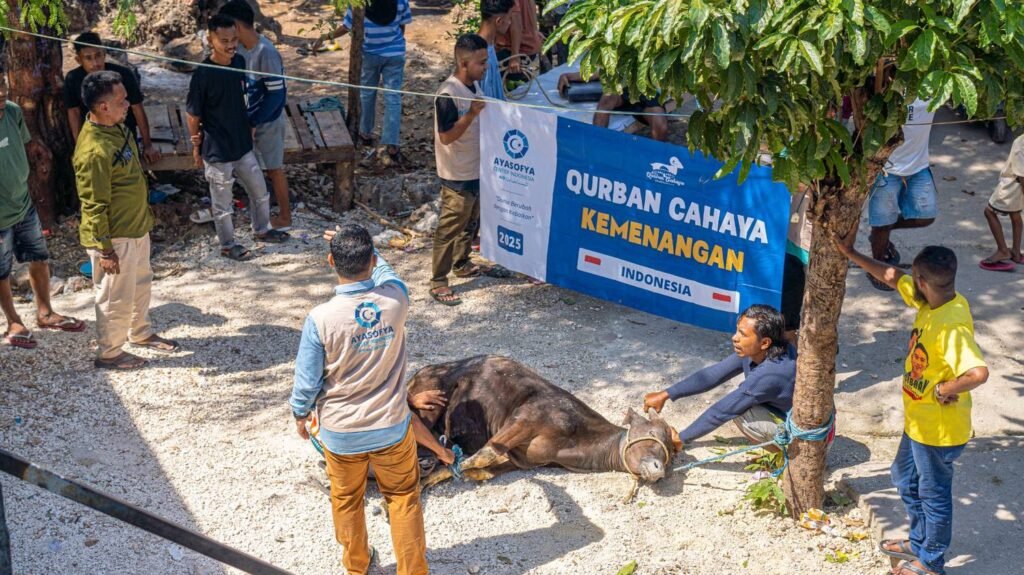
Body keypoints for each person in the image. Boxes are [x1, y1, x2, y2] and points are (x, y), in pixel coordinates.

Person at [291, 224, 449, 575]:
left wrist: (300, 414)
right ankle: (413, 570)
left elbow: (306, 381)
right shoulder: (396, 299)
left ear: (330, 261)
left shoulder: (320, 319)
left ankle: (357, 566)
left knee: (347, 501)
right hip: (392, 428)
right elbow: (389, 272)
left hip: (341, 433)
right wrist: (376, 257)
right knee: (403, 499)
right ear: (373, 259)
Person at [836, 229, 989, 575]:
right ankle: (918, 542)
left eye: (913, 277)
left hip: (938, 430)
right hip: (918, 422)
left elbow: (978, 372)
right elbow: (892, 276)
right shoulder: (932, 300)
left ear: (922, 280)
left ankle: (931, 562)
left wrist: (947, 388)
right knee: (904, 478)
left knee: (934, 497)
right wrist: (851, 253)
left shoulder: (951, 326)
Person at [73, 71, 179, 369]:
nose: (127, 104)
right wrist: (105, 250)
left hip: (135, 226)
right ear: (103, 107)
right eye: (121, 100)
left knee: (140, 283)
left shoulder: (118, 128)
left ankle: (140, 332)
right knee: (114, 295)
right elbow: (93, 204)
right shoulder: (94, 151)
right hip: (115, 236)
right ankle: (110, 352)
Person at [642, 305, 829, 447]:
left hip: (811, 441)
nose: (734, 337)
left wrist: (681, 438)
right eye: (737, 330)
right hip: (803, 421)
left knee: (742, 412)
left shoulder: (770, 374)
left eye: (742, 334)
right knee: (743, 401)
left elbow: (722, 411)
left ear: (764, 342)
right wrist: (666, 394)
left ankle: (785, 456)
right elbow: (713, 375)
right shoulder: (763, 351)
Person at [186, 14, 289, 261]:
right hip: (217, 150)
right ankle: (227, 244)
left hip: (242, 144)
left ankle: (262, 229)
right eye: (225, 40)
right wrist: (195, 145)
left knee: (260, 192)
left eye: (234, 39)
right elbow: (193, 114)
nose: (231, 45)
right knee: (222, 205)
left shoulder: (239, 62)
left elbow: (243, 97)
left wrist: (250, 126)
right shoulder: (203, 74)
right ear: (211, 40)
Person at [1, 72, 85, 349]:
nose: (2, 94)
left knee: (39, 257)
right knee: (2, 272)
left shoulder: (12, 112)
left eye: (2, 85)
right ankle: (13, 320)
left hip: (23, 203)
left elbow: (20, 150)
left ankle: (45, 311)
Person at [430, 34, 512, 306]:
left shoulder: (474, 86)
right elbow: (447, 137)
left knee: (472, 220)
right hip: (456, 172)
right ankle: (438, 281)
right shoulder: (447, 94)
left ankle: (462, 262)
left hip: (477, 168)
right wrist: (472, 114)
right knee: (451, 224)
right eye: (481, 63)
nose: (486, 67)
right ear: (464, 63)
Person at [218, 0, 293, 231]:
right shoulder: (240, 50)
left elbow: (276, 96)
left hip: (267, 120)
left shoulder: (266, 52)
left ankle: (285, 216)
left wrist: (255, 121)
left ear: (237, 27)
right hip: (248, 118)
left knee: (274, 168)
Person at [316, 0, 413, 163]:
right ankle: (392, 145)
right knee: (393, 98)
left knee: (367, 94)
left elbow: (346, 27)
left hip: (369, 55)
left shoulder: (358, 3)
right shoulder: (401, 1)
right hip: (395, 54)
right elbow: (402, 27)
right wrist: (392, 44)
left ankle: (365, 133)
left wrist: (325, 37)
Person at [865, 97, 937, 290]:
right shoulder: (887, 92)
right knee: (881, 224)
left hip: (919, 166)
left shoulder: (933, 92)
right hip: (887, 168)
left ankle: (882, 232)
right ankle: (877, 268)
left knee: (926, 216)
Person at [64, 32, 160, 166]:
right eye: (88, 58)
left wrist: (148, 145)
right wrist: (79, 145)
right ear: (78, 60)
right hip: (94, 136)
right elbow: (73, 113)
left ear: (104, 53)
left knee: (129, 171)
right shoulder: (73, 79)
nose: (96, 63)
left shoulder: (124, 75)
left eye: (98, 56)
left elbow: (137, 108)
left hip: (124, 133)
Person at [556, 72, 669, 141]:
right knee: (606, 99)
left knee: (660, 125)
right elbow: (600, 71)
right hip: (622, 88)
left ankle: (657, 163)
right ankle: (597, 148)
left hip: (648, 91)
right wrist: (567, 76)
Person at [979, 133, 1023, 271]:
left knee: (989, 212)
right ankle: (1016, 252)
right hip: (1018, 186)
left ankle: (1003, 250)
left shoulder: (1020, 144)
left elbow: (1022, 175)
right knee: (1015, 215)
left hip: (1012, 185)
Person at [494, 0, 544, 83]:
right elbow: (531, 5)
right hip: (528, 44)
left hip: (515, 48)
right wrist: (534, 31)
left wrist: (515, 55)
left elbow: (516, 22)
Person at [477, 0, 515, 101]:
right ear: (499, 21)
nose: (510, 23)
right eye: (509, 18)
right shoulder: (483, 57)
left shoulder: (488, 46)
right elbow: (488, 104)